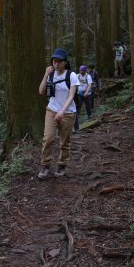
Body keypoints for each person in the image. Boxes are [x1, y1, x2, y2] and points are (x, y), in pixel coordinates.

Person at [37, 48, 80, 179]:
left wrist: (62, 111)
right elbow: (41, 91)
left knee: (64, 141)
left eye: (59, 61)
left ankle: (62, 165)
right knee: (48, 138)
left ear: (65, 62)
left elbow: (71, 95)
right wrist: (45, 75)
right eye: (54, 61)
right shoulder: (50, 74)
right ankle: (45, 166)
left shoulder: (72, 76)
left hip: (68, 112)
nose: (56, 64)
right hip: (51, 109)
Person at [74, 65, 93, 133]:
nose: (81, 72)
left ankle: (89, 116)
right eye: (80, 70)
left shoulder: (88, 76)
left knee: (88, 105)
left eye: (82, 71)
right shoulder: (77, 76)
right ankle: (77, 118)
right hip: (79, 93)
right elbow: (74, 84)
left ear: (85, 71)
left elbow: (90, 85)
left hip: (87, 94)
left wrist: (86, 92)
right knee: (78, 105)